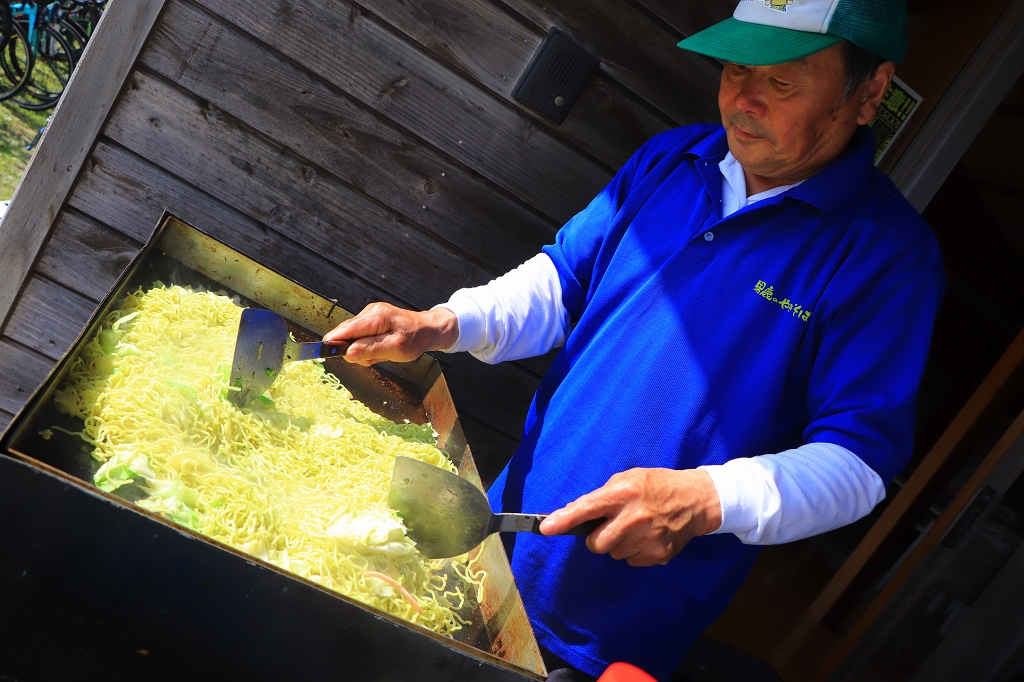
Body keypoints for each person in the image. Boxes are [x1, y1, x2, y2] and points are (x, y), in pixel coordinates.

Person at [324, 1, 944, 679]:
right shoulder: (676, 159)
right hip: (490, 541)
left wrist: (704, 500)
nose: (742, 98)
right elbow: (564, 281)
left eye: (782, 82)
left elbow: (858, 463)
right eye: (736, 67)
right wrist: (445, 323)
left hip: (605, 635)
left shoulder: (887, 257)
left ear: (870, 93)